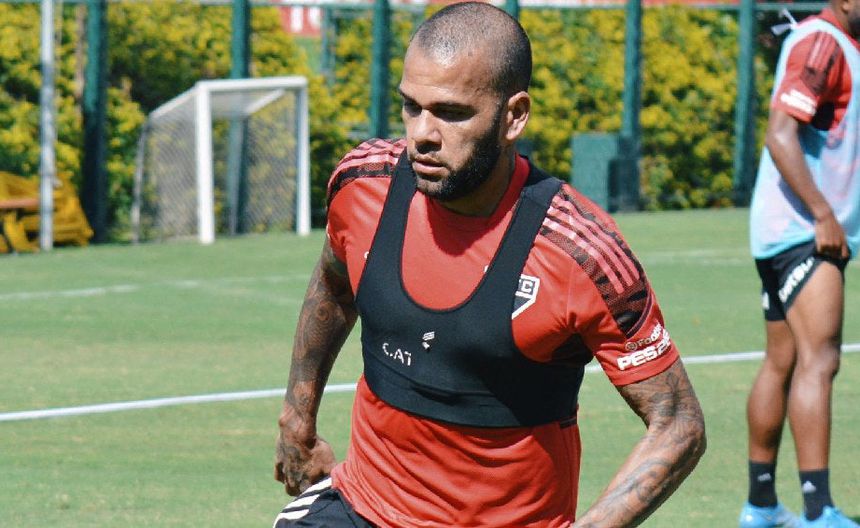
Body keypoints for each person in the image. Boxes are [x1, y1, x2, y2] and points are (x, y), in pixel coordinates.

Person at [273, 3, 706, 526]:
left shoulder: (582, 254)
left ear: (514, 116)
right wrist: (297, 418)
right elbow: (333, 284)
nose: (422, 133)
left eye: (451, 113)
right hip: (364, 505)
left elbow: (677, 423)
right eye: (411, 106)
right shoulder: (362, 187)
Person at [742, 1, 860, 527]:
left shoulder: (841, 46)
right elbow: (780, 134)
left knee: (783, 362)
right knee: (821, 360)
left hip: (786, 230)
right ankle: (819, 512)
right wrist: (823, 214)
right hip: (805, 232)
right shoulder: (822, 44)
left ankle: (761, 505)